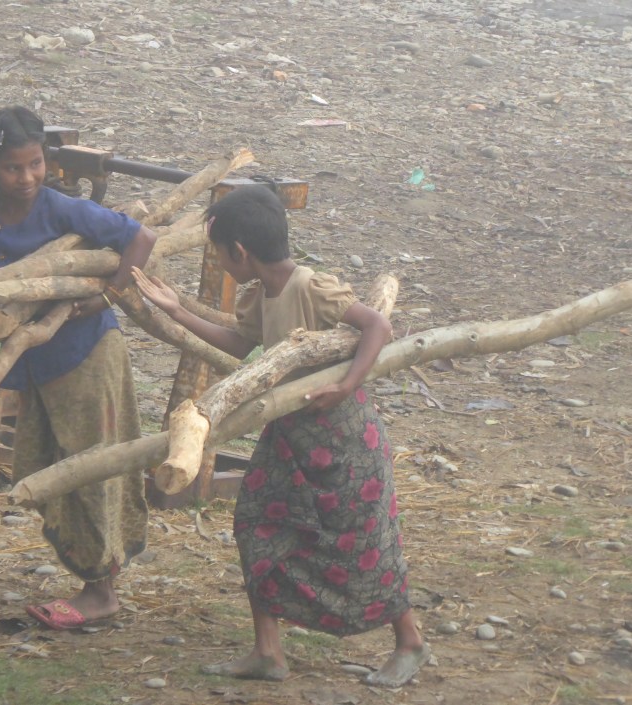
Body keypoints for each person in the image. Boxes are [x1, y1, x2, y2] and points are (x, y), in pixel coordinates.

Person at [131, 186, 429, 686]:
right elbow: (239, 344)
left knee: (364, 539)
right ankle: (268, 652)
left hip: (344, 438)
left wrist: (346, 385)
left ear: (239, 251)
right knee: (256, 524)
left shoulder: (312, 287)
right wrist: (176, 310)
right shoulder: (259, 296)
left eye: (218, 251)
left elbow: (378, 326)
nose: (219, 260)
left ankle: (410, 641)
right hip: (289, 438)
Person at [0, 106, 156, 630]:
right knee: (48, 465)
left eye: (35, 164)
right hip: (36, 362)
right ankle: (90, 571)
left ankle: (101, 590)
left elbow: (141, 239)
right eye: (12, 168)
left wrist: (109, 295)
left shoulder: (62, 209)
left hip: (86, 353)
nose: (26, 178)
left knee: (90, 466)